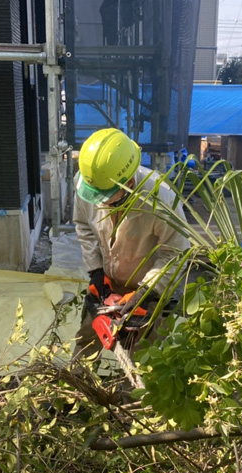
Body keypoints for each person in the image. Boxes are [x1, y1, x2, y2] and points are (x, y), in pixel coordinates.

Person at [73, 127, 191, 358]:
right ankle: (74, 384)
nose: (99, 201)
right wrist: (96, 271)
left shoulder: (161, 199)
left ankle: (135, 392)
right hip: (109, 280)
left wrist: (147, 291)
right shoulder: (88, 183)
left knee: (145, 353)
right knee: (88, 335)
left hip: (151, 283)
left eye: (104, 195)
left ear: (127, 182)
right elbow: (84, 226)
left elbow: (176, 253)